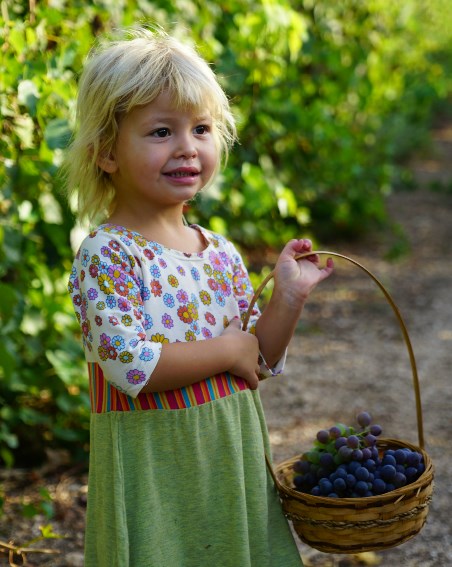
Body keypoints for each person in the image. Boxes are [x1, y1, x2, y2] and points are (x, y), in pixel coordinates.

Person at [65, 26, 333, 567]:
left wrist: (288, 299)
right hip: (156, 469)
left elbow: (259, 357)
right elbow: (128, 365)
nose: (188, 147)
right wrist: (228, 351)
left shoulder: (220, 252)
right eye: (161, 131)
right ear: (106, 154)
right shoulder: (109, 253)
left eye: (202, 129)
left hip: (228, 452)